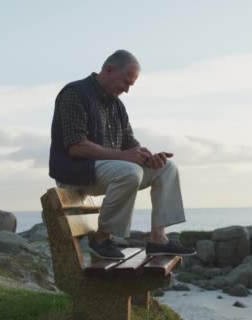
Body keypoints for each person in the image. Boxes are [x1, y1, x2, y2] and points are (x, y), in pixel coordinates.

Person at [49, 49, 196, 259]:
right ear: (109, 70)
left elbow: (130, 146)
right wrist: (124, 156)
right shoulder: (74, 93)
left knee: (167, 168)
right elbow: (76, 147)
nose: (127, 90)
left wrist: (149, 158)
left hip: (106, 172)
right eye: (126, 82)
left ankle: (158, 239)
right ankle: (101, 239)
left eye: (131, 85)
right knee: (129, 171)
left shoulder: (117, 106)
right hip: (75, 173)